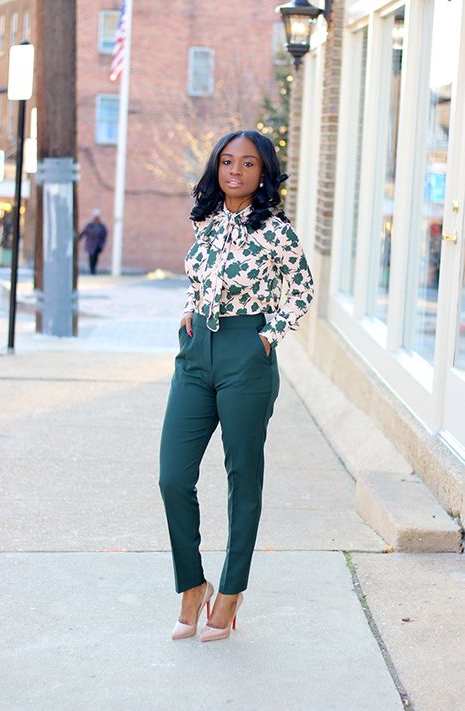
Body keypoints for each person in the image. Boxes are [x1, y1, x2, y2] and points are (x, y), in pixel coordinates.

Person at [158, 129, 315, 643]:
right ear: (216, 167)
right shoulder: (206, 222)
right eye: (227, 162)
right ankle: (191, 584)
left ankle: (230, 591)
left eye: (248, 164)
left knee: (242, 477)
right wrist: (189, 307)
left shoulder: (277, 232)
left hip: (247, 354)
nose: (235, 171)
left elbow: (302, 289)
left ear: (263, 172)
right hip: (195, 351)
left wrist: (269, 336)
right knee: (172, 477)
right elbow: (200, 277)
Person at [78, 209, 107, 274]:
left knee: (95, 257)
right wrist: (78, 238)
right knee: (91, 256)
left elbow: (104, 237)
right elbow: (84, 232)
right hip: (90, 244)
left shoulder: (102, 226)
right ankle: (92, 270)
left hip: (98, 245)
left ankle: (93, 269)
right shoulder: (90, 225)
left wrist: (102, 245)